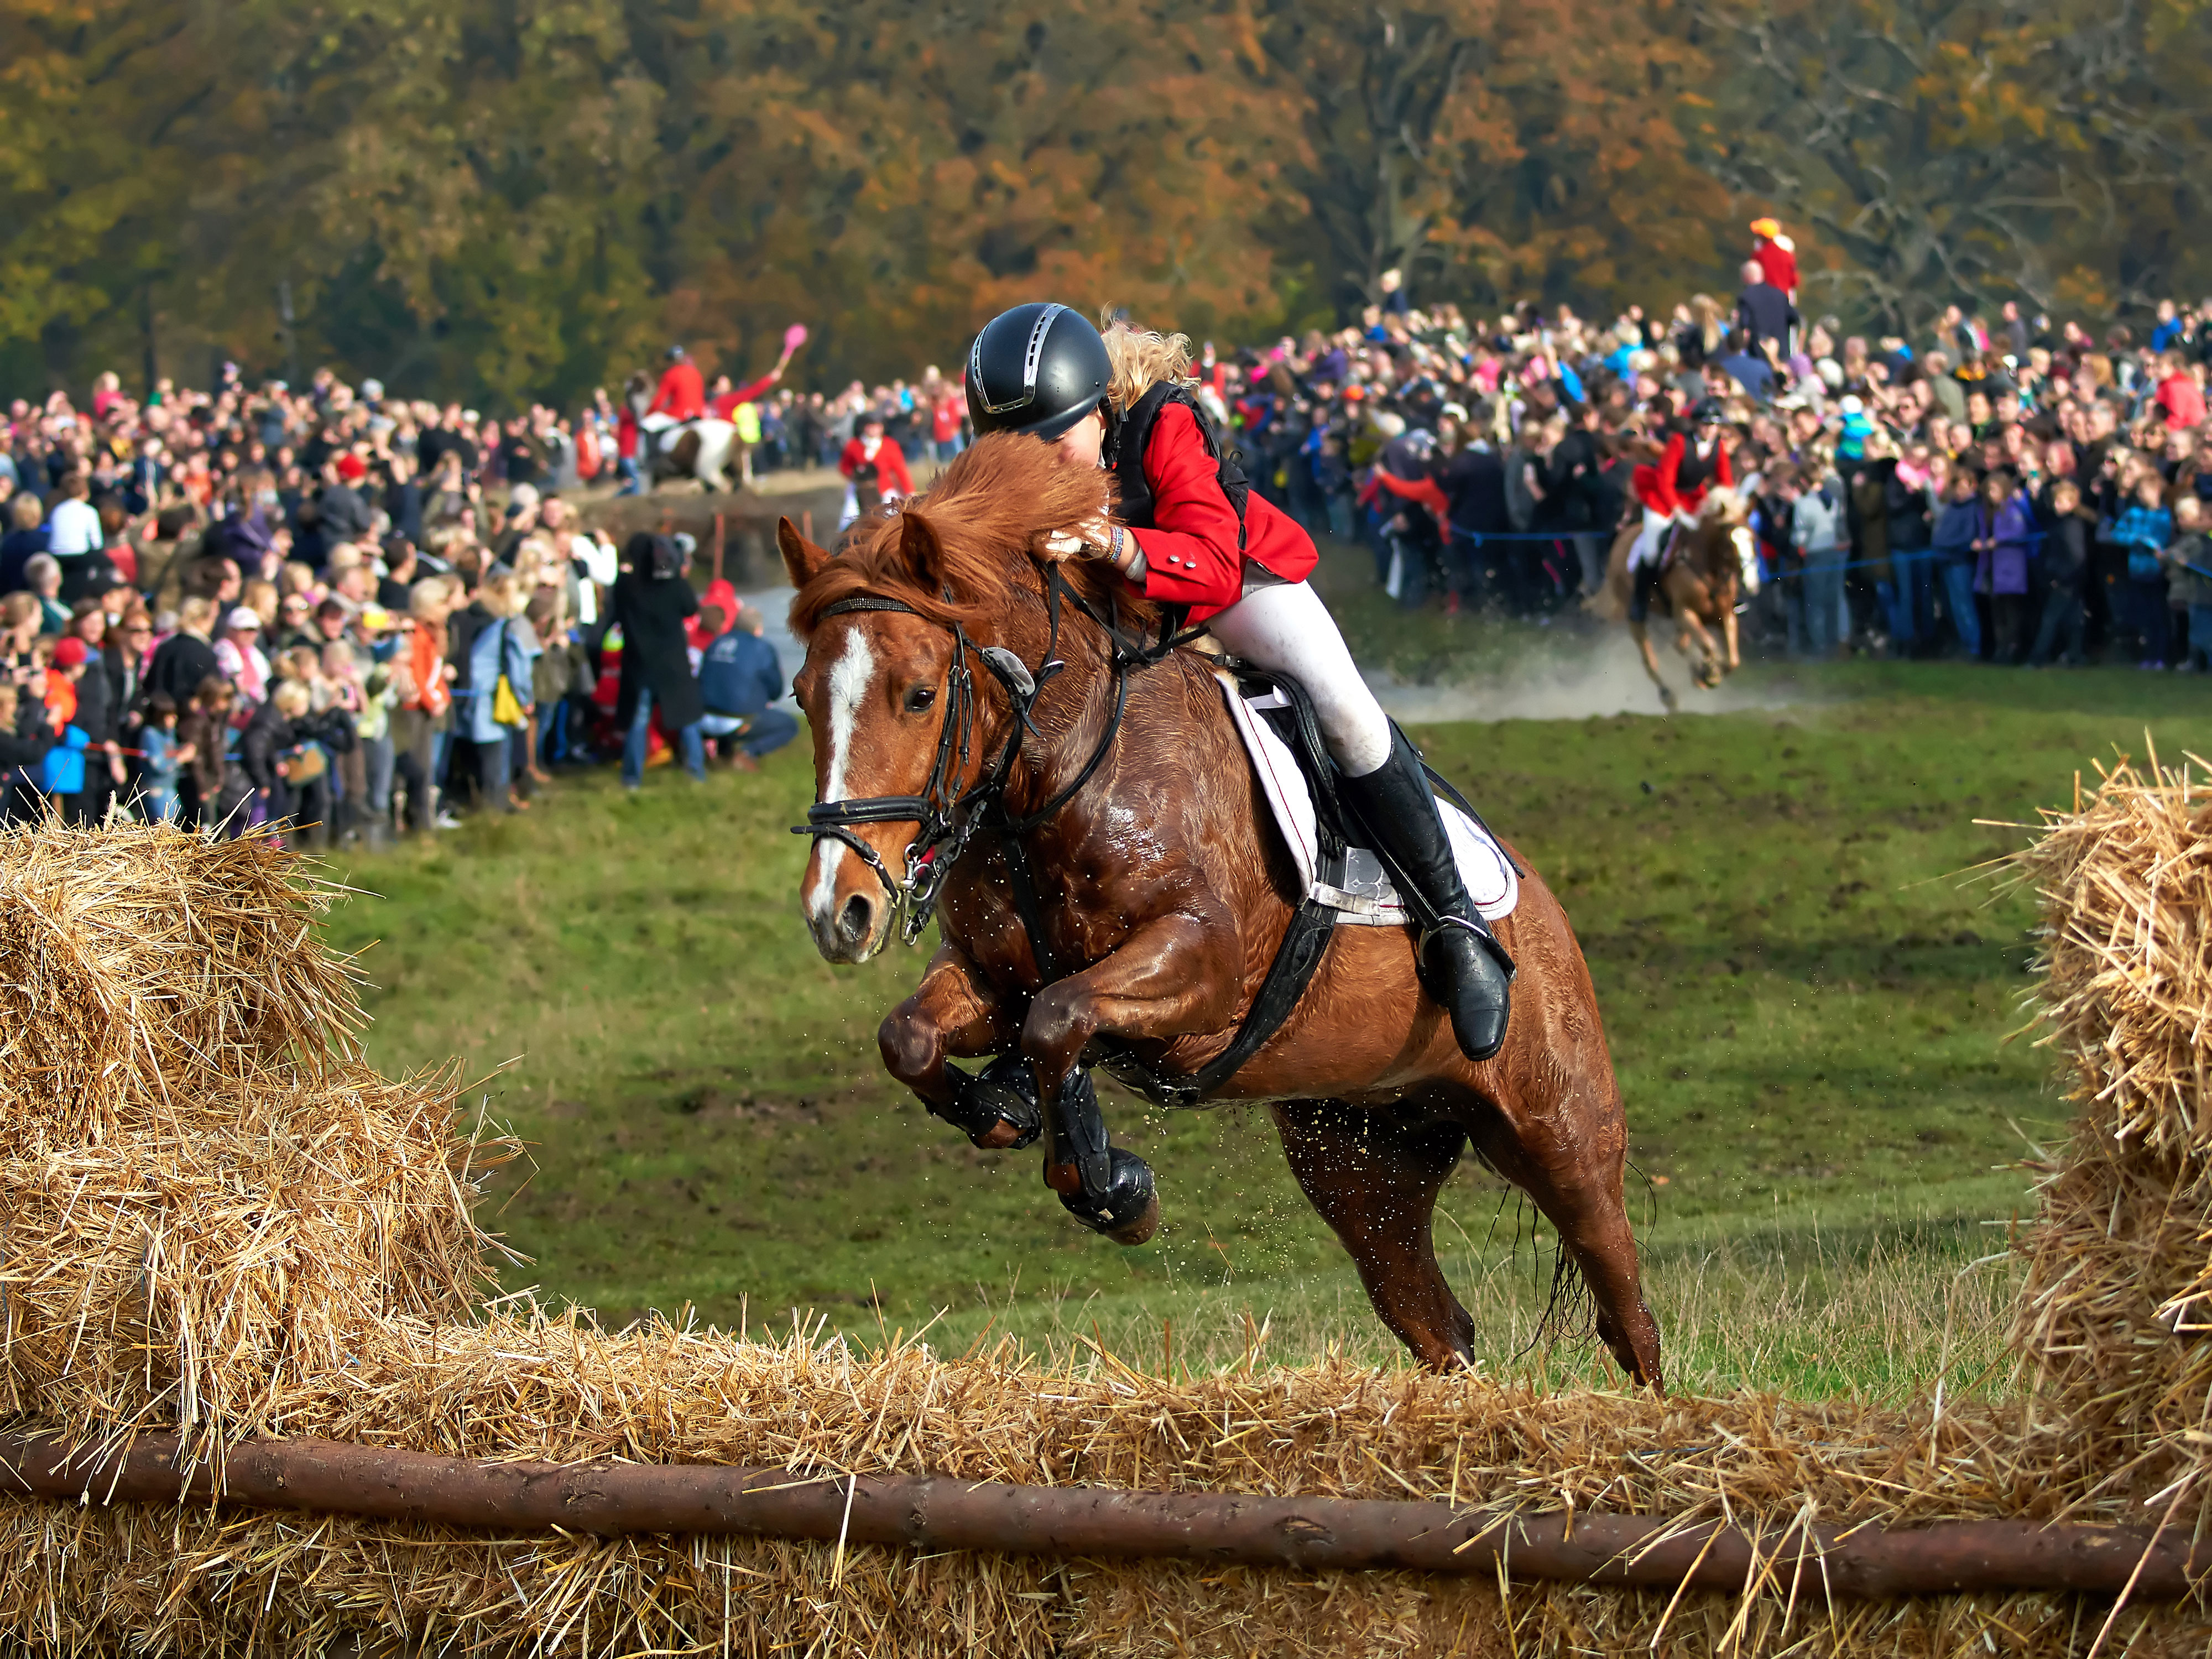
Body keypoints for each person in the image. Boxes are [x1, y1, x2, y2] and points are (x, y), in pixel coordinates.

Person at [963, 301, 1511, 1061]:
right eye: (1012, 448)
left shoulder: (1163, 422)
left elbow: (1214, 562)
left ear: (1100, 408)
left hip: (1228, 583)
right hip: (1120, 613)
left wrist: (1112, 541)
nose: (1036, 466)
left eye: (1056, 441)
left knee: (1347, 714)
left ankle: (1457, 925)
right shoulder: (1014, 457)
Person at [610, 531, 705, 787]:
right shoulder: (673, 584)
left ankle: (632, 778)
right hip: (673, 663)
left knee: (638, 722)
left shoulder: (626, 586)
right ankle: (696, 772)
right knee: (687, 719)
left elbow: (614, 611)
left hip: (640, 664)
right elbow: (691, 609)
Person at [696, 602, 798, 771]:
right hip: (739, 721)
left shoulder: (716, 643)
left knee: (729, 702)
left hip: (704, 719)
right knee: (789, 725)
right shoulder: (763, 648)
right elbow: (776, 691)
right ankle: (747, 752)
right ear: (758, 629)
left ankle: (722, 756)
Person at [838, 410, 915, 526]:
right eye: (871, 426)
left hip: (884, 490)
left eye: (878, 426)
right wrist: (855, 476)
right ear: (864, 427)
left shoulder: (891, 445)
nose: (875, 429)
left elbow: (901, 471)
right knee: (847, 519)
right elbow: (844, 467)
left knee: (895, 520)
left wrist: (909, 492)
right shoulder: (853, 445)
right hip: (859, 490)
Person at [137, 692, 191, 822]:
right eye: (170, 715)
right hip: (157, 790)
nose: (175, 718)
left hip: (170, 788)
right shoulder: (150, 734)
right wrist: (181, 758)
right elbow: (159, 765)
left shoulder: (170, 734)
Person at [646, 346, 706, 422]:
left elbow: (660, 400)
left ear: (670, 361)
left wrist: (649, 412)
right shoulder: (696, 373)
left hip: (679, 415)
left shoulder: (671, 374)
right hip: (699, 413)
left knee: (647, 424)